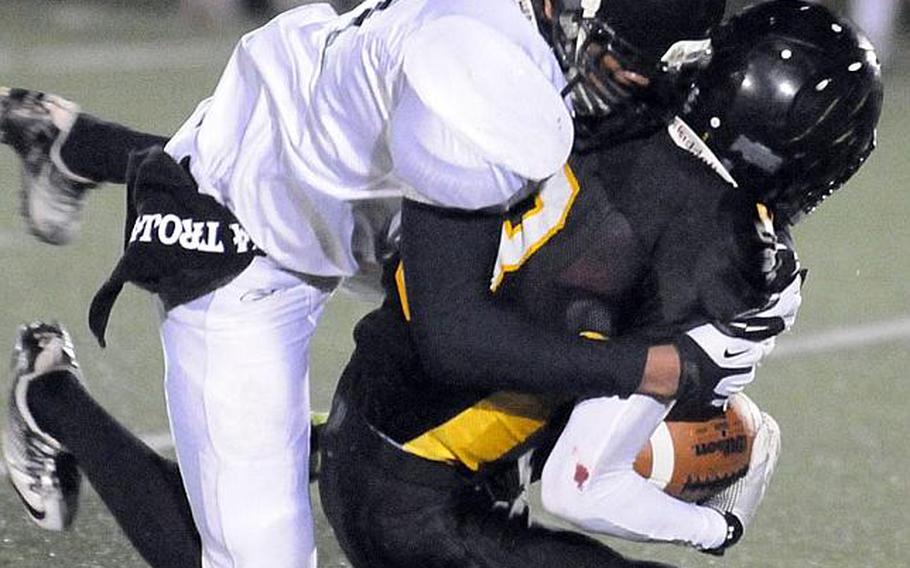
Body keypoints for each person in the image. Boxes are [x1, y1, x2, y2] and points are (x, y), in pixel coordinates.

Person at [0, 1, 764, 567]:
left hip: (345, 151)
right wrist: (645, 370)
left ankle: (77, 145)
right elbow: (453, 335)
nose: (638, 79)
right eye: (626, 55)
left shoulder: (520, 57)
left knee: (555, 295)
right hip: (247, 235)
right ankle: (46, 397)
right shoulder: (486, 80)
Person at [318, 1, 881, 565]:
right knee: (650, 368)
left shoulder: (615, 108)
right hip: (414, 509)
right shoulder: (721, 252)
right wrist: (714, 526)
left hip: (364, 400)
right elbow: (581, 488)